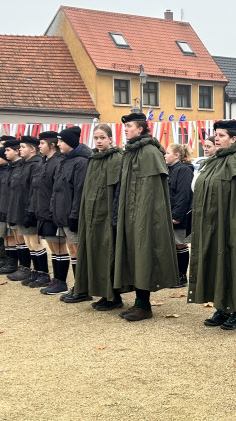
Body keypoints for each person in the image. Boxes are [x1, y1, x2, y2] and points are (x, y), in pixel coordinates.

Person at [188, 119, 236, 331]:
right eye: (216, 134)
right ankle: (221, 307)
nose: (217, 138)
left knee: (235, 264)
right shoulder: (215, 160)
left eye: (222, 135)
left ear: (234, 138)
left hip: (235, 225)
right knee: (217, 263)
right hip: (214, 224)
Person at [114, 113, 179, 321]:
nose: (125, 129)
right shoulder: (132, 152)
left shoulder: (149, 152)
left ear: (140, 129)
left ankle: (144, 305)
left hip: (145, 216)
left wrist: (141, 215)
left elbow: (151, 193)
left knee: (143, 255)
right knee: (134, 255)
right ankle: (138, 302)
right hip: (132, 214)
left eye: (129, 126)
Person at [74, 124, 124, 310]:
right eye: (96, 138)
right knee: (94, 254)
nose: (99, 141)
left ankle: (114, 296)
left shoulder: (118, 159)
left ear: (110, 138)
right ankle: (103, 293)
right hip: (92, 217)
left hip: (109, 216)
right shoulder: (93, 160)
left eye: (103, 137)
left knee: (108, 254)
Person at [51, 126, 93, 299]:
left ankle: (82, 289)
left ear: (70, 143)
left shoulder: (81, 162)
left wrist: (74, 215)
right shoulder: (65, 160)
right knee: (71, 249)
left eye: (61, 141)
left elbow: (79, 191)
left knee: (77, 251)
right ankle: (78, 286)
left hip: (72, 214)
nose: (58, 144)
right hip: (63, 213)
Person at [25, 130, 64, 289]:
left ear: (52, 145)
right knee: (53, 248)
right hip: (41, 211)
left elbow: (56, 189)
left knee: (59, 247)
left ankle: (60, 281)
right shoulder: (43, 162)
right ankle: (53, 278)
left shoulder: (57, 162)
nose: (39, 145)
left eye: (42, 143)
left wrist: (52, 210)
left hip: (51, 211)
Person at [5, 136, 42, 282]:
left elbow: (32, 190)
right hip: (18, 207)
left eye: (23, 147)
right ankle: (28, 269)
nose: (20, 149)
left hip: (28, 209)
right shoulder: (23, 164)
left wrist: (30, 210)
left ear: (33, 149)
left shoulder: (36, 164)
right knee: (26, 242)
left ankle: (39, 272)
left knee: (34, 243)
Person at [165, 142, 195, 287]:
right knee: (175, 244)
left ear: (176, 155)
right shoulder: (172, 169)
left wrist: (177, 215)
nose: (165, 155)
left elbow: (183, 194)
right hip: (173, 213)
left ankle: (182, 276)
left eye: (168, 153)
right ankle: (176, 274)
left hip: (180, 215)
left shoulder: (183, 170)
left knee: (180, 244)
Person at [0, 139, 23, 275]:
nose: (5, 153)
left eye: (8, 150)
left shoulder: (19, 167)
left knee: (17, 238)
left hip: (15, 208)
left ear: (17, 151)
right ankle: (9, 262)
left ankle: (17, 265)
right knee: (8, 236)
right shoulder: (10, 167)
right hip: (6, 207)